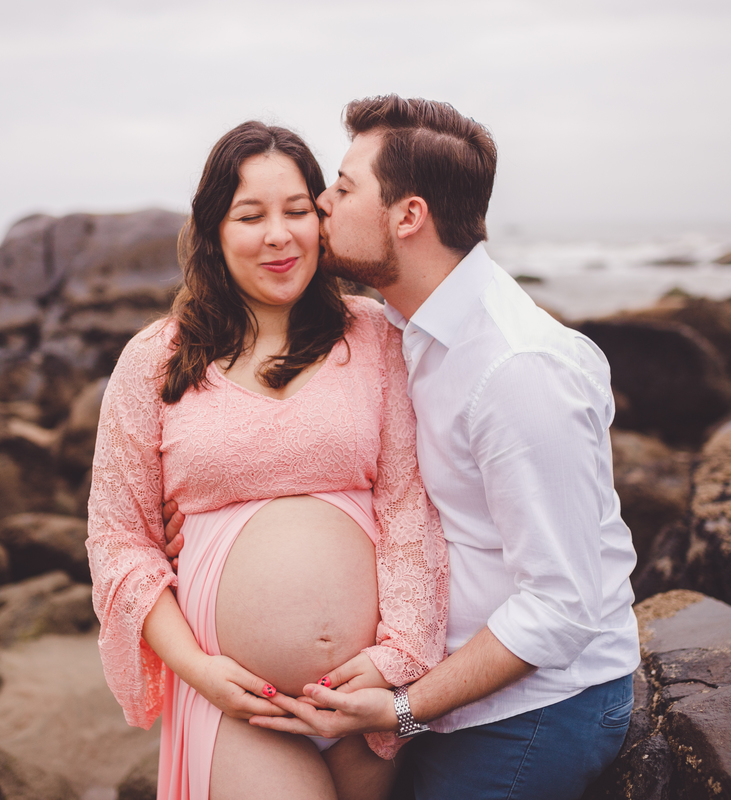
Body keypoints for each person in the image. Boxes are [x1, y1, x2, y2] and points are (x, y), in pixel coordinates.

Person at [230, 96, 642, 800]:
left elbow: (562, 607)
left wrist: (403, 708)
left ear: (408, 216)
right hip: (446, 694)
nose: (320, 204)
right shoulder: (402, 327)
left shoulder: (517, 372)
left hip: (536, 709)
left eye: (344, 187)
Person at [86, 120, 449, 800]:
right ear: (214, 232)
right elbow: (119, 542)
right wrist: (196, 668)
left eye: (296, 211)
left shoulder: (372, 335)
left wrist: (393, 659)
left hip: (366, 698)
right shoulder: (153, 361)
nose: (279, 235)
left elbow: (409, 507)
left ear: (323, 219)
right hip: (237, 702)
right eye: (250, 215)